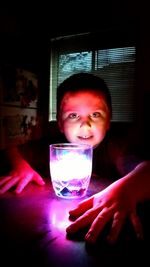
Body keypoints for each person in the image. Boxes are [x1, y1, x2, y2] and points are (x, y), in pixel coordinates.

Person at [0, 72, 150, 244]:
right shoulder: (51, 149)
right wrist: (19, 164)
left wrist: (127, 190)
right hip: (56, 226)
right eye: (73, 115)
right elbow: (10, 148)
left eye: (95, 114)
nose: (85, 124)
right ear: (60, 124)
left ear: (108, 121)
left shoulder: (115, 148)